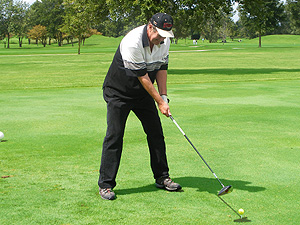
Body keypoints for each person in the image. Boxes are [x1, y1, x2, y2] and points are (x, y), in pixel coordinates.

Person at [98, 13, 182, 200]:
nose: (162, 39)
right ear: (150, 27)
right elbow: (142, 77)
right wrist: (159, 102)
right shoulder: (132, 41)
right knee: (115, 135)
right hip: (118, 92)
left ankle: (162, 177)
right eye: (159, 34)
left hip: (144, 94)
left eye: (165, 35)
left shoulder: (164, 40)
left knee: (156, 133)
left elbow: (161, 69)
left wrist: (164, 97)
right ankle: (106, 185)